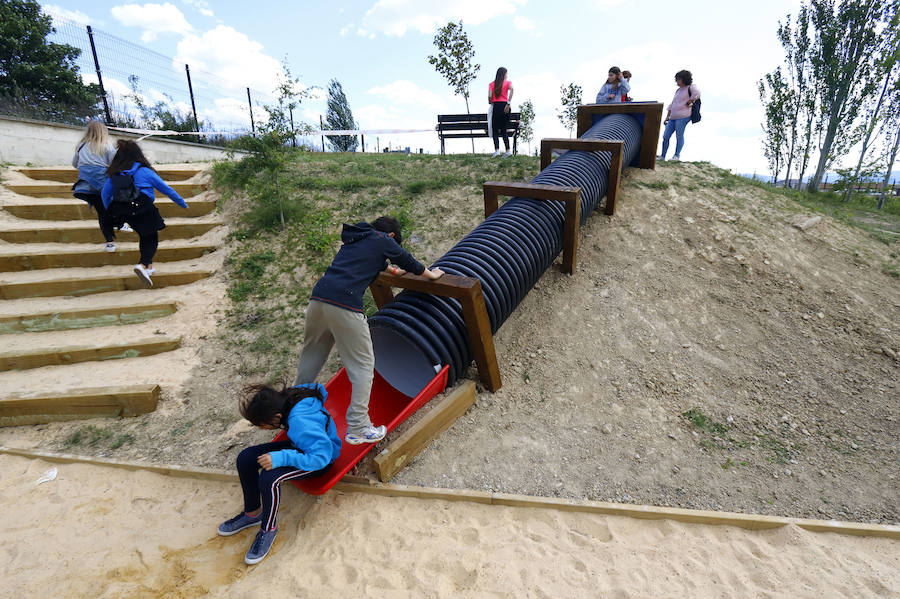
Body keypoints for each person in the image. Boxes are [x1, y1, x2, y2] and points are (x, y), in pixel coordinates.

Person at [295, 216, 444, 444]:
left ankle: (294, 404)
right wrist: (431, 274)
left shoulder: (356, 240)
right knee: (363, 366)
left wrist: (394, 272)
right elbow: (408, 261)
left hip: (318, 300)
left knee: (313, 352)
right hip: (344, 305)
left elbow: (376, 264)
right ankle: (358, 426)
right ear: (391, 236)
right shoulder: (382, 238)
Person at [217, 382, 341, 565]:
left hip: (319, 460)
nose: (262, 429)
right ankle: (252, 513)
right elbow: (320, 387)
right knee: (245, 458)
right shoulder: (290, 396)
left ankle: (268, 529)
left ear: (276, 417)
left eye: (262, 425)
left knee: (269, 478)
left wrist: (281, 458)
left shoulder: (299, 422)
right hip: (301, 447)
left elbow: (320, 457)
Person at [101, 140, 188, 287]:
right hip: (144, 208)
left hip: (124, 211)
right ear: (138, 154)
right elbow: (166, 189)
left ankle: (149, 267)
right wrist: (182, 203)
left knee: (144, 235)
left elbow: (105, 194)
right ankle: (142, 265)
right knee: (152, 239)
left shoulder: (114, 174)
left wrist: (112, 210)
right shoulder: (145, 171)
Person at [71, 122, 124, 252]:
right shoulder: (106, 146)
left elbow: (74, 164)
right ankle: (120, 224)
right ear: (103, 132)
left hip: (85, 187)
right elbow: (114, 163)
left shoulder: (81, 146)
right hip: (101, 185)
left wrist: (88, 166)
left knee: (102, 212)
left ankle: (110, 242)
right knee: (114, 204)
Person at [659, 70, 700, 162]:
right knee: (665, 136)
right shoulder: (678, 90)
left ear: (684, 79)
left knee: (679, 136)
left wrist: (691, 101)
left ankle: (676, 155)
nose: (676, 81)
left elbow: (697, 94)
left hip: (683, 116)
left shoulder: (691, 87)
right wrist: (667, 117)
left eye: (678, 79)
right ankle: (662, 155)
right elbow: (672, 104)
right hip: (673, 117)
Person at [488, 67, 515, 157]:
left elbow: (489, 96)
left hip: (497, 106)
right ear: (504, 74)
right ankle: (508, 150)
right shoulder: (508, 83)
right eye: (506, 74)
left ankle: (497, 150)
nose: (507, 75)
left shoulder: (492, 84)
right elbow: (512, 90)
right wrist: (508, 102)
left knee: (495, 129)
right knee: (504, 130)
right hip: (506, 106)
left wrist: (491, 101)